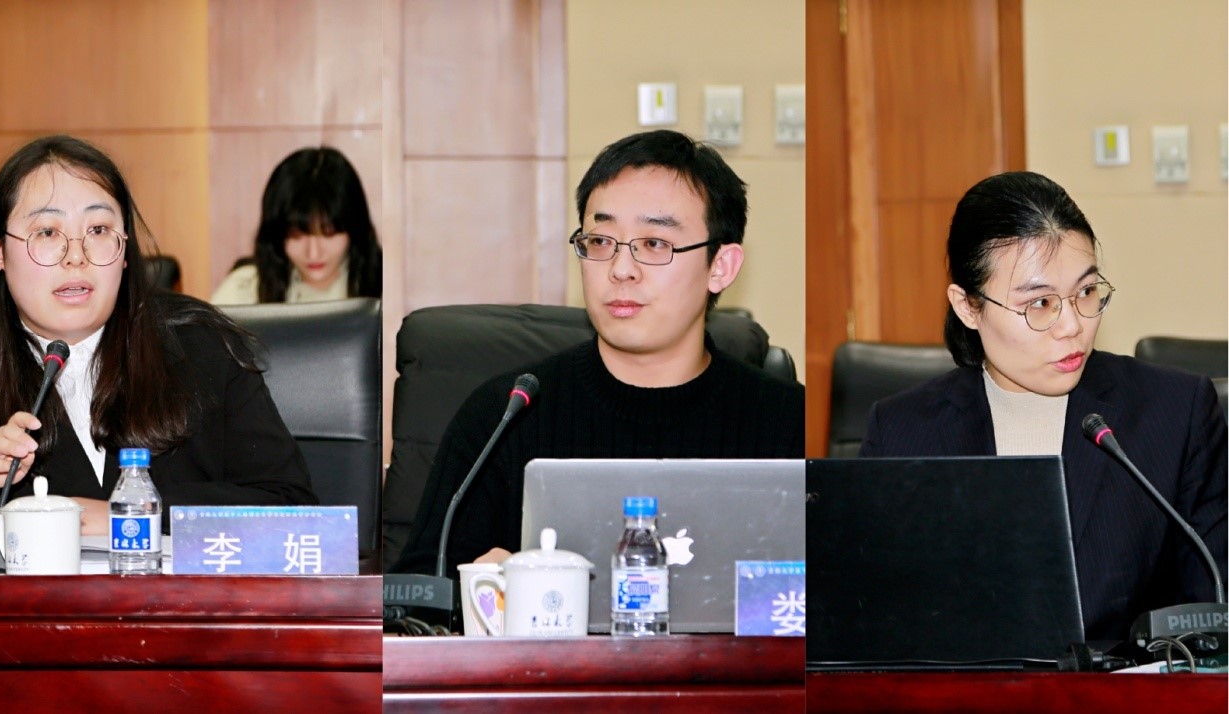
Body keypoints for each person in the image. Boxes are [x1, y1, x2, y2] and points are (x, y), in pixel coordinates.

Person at [391, 129, 805, 574]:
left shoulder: (790, 425)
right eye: (601, 241)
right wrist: (482, 592)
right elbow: (417, 596)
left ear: (720, 266)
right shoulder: (505, 416)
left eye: (654, 244)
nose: (621, 269)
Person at [860, 170, 1227, 640]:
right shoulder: (901, 431)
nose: (1072, 325)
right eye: (1040, 304)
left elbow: (1213, 618)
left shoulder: (1175, 413)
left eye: (1086, 292)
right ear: (968, 306)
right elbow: (874, 622)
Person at [0, 135, 318, 537]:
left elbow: (293, 508)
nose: (76, 256)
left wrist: (129, 514)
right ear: (0, 252)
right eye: (46, 232)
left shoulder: (201, 347)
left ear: (125, 248)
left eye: (98, 229)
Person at [211, 146, 382, 305]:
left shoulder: (386, 287)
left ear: (355, 229)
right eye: (296, 235)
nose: (313, 253)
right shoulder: (243, 290)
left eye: (328, 233)